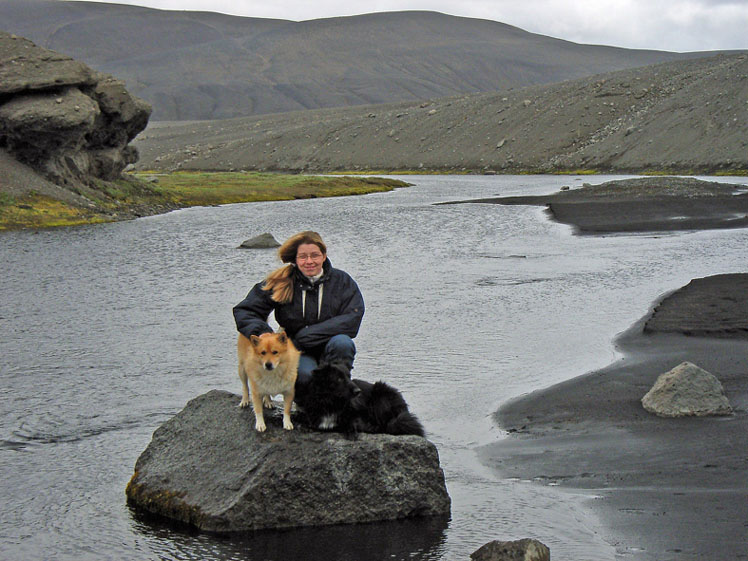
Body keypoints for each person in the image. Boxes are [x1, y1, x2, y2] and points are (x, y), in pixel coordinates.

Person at [233, 231, 364, 389]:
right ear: (295, 259)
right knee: (305, 377)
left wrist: (305, 337)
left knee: (343, 343)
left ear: (324, 256)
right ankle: (303, 405)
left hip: (329, 346)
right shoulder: (280, 281)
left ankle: (339, 397)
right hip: (296, 351)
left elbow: (352, 319)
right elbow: (245, 310)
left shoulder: (342, 281)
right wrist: (264, 333)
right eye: (303, 257)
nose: (309, 261)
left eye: (314, 255)